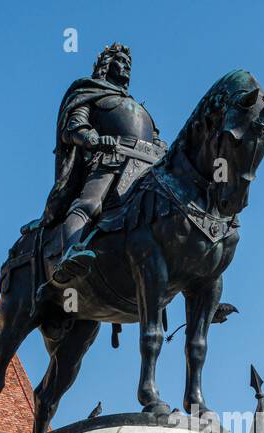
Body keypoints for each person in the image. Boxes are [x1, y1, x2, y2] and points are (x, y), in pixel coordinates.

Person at [43, 43, 165, 284]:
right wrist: (94, 138)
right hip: (110, 160)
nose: (126, 67)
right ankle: (70, 253)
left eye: (129, 63)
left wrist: (163, 147)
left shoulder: (139, 107)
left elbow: (156, 137)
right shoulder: (90, 93)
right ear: (106, 66)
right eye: (120, 61)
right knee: (89, 204)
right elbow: (74, 128)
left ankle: (192, 276)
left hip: (147, 166)